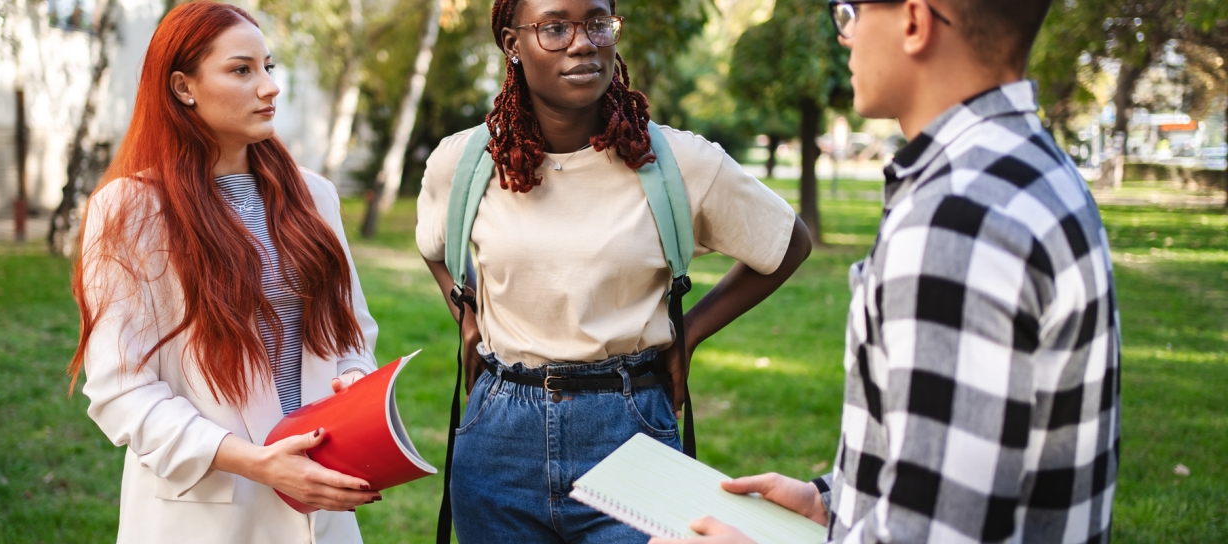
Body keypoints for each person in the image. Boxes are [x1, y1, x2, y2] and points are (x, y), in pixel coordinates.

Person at [652, 1, 1121, 543]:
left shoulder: (956, 221)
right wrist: (836, 502)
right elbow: (969, 465)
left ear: (915, 21)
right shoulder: (1037, 171)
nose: (844, 35)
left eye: (850, 10)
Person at [415, 0, 814, 542]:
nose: (583, 42)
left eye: (598, 23)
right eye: (554, 28)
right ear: (513, 44)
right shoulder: (462, 163)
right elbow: (435, 247)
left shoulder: (675, 162)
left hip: (628, 430)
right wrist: (466, 312)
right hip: (497, 441)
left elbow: (787, 242)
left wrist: (689, 331)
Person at [67, 2, 380, 542]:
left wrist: (352, 385)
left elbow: (352, 335)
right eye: (242, 70)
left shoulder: (315, 197)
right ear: (184, 87)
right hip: (207, 514)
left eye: (269, 67)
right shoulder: (130, 210)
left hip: (322, 506)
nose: (269, 87)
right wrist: (260, 463)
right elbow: (122, 392)